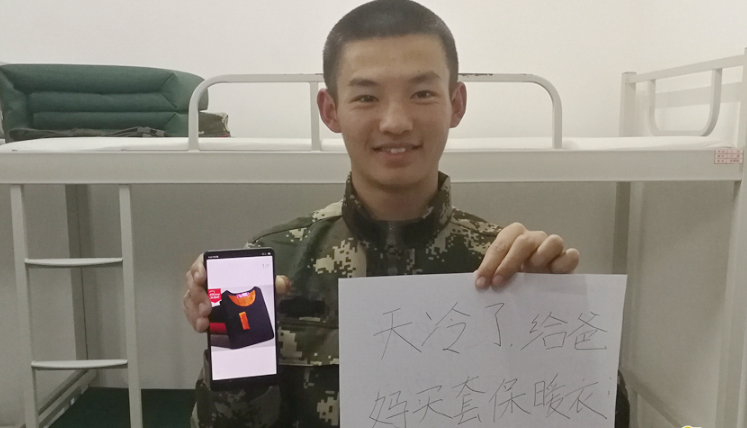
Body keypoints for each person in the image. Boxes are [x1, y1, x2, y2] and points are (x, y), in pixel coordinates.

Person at [183, 1, 628, 427]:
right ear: (331, 111)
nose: (395, 121)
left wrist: (557, 316)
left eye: (422, 93)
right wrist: (235, 338)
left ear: (456, 104)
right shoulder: (272, 265)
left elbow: (607, 420)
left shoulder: (509, 266)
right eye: (366, 97)